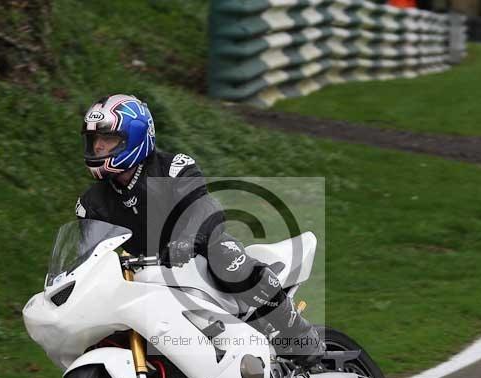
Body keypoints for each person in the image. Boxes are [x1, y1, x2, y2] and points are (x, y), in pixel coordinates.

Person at [75, 94, 324, 363]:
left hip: (199, 254)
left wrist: (187, 240)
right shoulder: (91, 204)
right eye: (94, 140)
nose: (98, 146)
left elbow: (204, 207)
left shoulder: (173, 168)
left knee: (227, 259)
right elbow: (89, 256)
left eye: (108, 138)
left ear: (134, 138)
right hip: (149, 273)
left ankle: (298, 333)